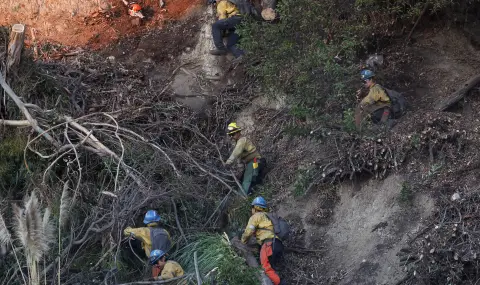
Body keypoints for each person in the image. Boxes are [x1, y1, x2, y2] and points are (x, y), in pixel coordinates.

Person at [241, 197, 285, 285]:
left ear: (255, 207)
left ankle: (279, 283)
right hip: (278, 244)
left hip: (268, 245)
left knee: (265, 268)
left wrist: (242, 242)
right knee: (272, 268)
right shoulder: (269, 216)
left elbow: (248, 232)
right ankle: (279, 280)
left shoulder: (256, 216)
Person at [225, 122, 265, 195]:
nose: (232, 137)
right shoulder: (239, 143)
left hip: (255, 162)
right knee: (244, 180)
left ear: (238, 133)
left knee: (246, 182)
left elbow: (236, 152)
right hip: (251, 163)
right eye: (230, 135)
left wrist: (229, 162)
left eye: (233, 134)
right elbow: (240, 161)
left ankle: (242, 199)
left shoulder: (242, 141)